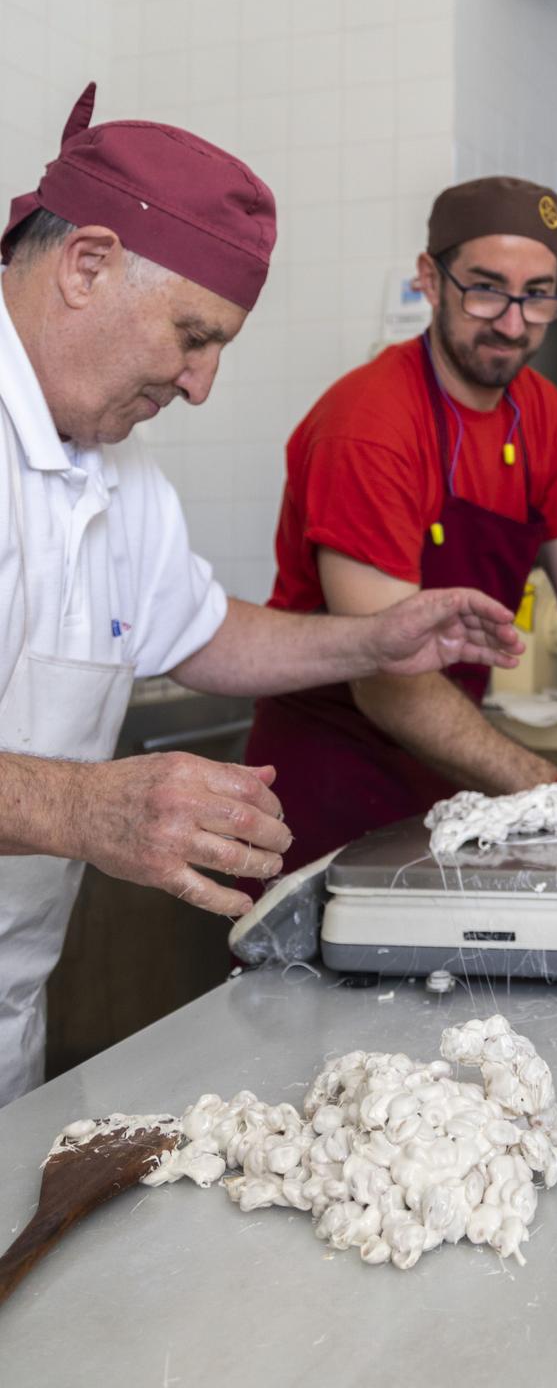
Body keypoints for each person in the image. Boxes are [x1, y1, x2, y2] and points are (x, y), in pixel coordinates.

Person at [0, 86, 523, 1107]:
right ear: (88, 265)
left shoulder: (120, 470)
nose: (199, 385)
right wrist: (75, 804)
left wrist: (376, 638)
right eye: (193, 336)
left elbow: (203, 634)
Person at [247, 175, 557, 869]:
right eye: (485, 288)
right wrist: (554, 788)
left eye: (538, 296)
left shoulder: (550, 419)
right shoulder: (370, 426)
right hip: (328, 773)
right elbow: (384, 673)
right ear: (429, 280)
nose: (511, 322)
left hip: (450, 762)